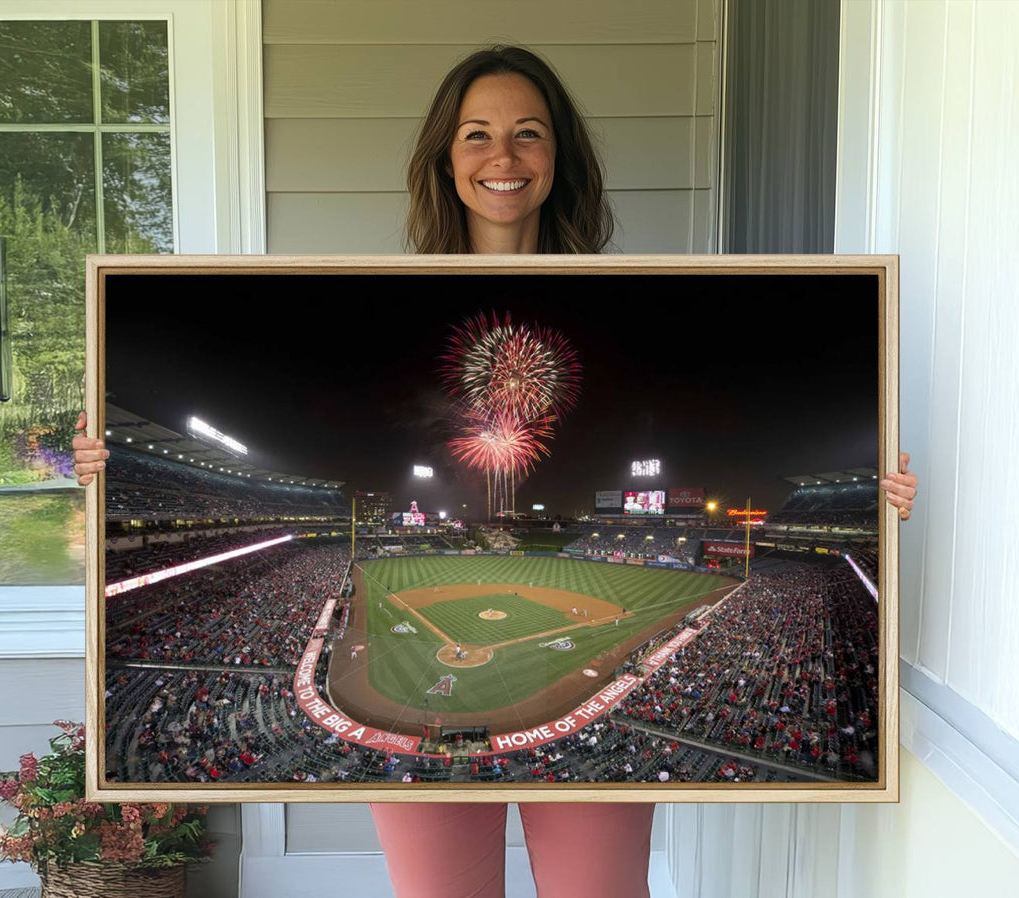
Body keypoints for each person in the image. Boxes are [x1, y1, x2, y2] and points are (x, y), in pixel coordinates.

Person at [73, 43, 920, 898]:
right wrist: (107, 469)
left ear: (560, 158)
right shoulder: (385, 291)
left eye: (529, 134)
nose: (502, 157)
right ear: (446, 157)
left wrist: (877, 504)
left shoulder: (622, 293)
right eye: (476, 134)